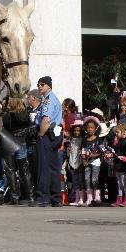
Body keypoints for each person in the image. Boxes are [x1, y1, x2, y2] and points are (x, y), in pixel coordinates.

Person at [34, 77, 63, 207]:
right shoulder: (50, 99)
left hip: (47, 135)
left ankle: (43, 197)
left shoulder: (48, 101)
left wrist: (40, 135)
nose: (39, 86)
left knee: (43, 167)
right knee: (52, 167)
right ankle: (55, 197)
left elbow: (45, 120)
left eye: (42, 84)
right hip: (54, 135)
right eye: (38, 84)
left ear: (49, 86)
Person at [80, 116, 104, 206]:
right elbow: (83, 151)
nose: (90, 129)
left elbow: (102, 151)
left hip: (96, 162)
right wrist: (84, 160)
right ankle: (89, 198)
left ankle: (97, 197)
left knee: (94, 179)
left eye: (92, 127)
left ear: (95, 129)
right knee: (86, 179)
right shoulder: (85, 140)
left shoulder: (98, 139)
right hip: (87, 162)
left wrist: (94, 155)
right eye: (88, 127)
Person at [109, 123, 126, 207]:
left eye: (117, 132)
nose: (116, 134)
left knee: (124, 183)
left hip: (124, 165)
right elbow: (116, 151)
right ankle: (119, 199)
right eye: (115, 132)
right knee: (119, 183)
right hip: (118, 165)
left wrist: (124, 157)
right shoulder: (118, 141)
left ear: (124, 132)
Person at [66, 120, 85, 206]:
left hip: (80, 162)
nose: (76, 132)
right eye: (75, 130)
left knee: (80, 181)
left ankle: (80, 198)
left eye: (78, 131)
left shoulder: (82, 140)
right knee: (74, 181)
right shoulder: (71, 140)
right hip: (72, 161)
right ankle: (75, 198)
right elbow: (69, 152)